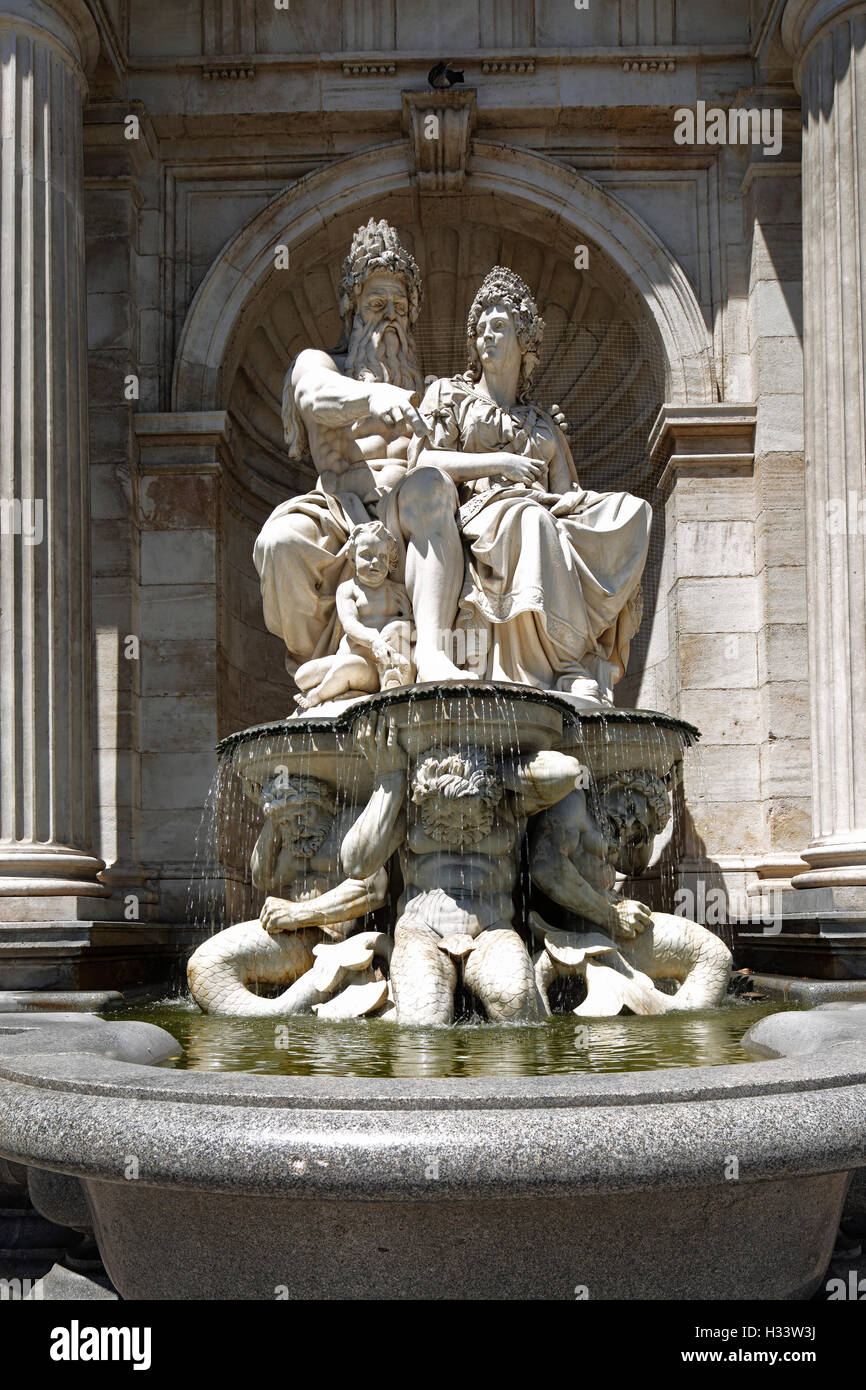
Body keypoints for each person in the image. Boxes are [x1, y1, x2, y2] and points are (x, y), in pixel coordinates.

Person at [407, 265, 651, 702]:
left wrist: (575, 505)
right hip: (475, 514)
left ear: (524, 339)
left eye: (499, 327)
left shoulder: (542, 425)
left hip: (540, 511)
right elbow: (423, 461)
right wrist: (498, 462)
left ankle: (570, 661)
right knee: (531, 520)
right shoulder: (450, 395)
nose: (487, 337)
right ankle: (565, 664)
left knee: (630, 511)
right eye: (480, 329)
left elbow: (566, 493)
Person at [253, 219, 467, 687]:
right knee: (279, 543)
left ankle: (430, 653)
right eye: (376, 304)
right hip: (338, 509)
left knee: (431, 486)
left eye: (399, 306)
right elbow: (313, 396)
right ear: (351, 309)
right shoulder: (321, 364)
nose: (390, 316)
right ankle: (315, 658)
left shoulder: (434, 390)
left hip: (410, 507)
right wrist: (372, 397)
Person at [293, 521, 413, 709]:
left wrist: (397, 627)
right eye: (367, 555)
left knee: (345, 668)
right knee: (302, 676)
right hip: (352, 653)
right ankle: (341, 686)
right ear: (352, 559)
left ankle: (318, 695)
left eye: (383, 557)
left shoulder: (397, 592)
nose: (375, 562)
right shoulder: (348, 589)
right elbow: (349, 623)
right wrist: (374, 640)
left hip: (375, 665)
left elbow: (414, 626)